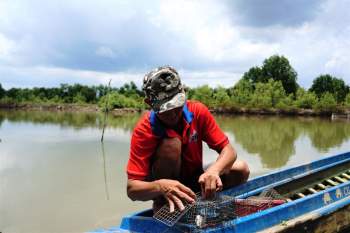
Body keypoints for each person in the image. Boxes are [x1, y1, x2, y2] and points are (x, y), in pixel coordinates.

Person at [126, 66, 250, 213]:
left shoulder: (198, 111)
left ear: (183, 93)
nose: (173, 115)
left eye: (177, 105)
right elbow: (132, 189)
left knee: (241, 168)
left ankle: (203, 200)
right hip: (165, 187)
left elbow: (229, 150)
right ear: (149, 103)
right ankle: (164, 204)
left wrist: (214, 171)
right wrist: (160, 186)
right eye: (165, 110)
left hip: (195, 178)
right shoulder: (144, 130)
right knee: (171, 144)